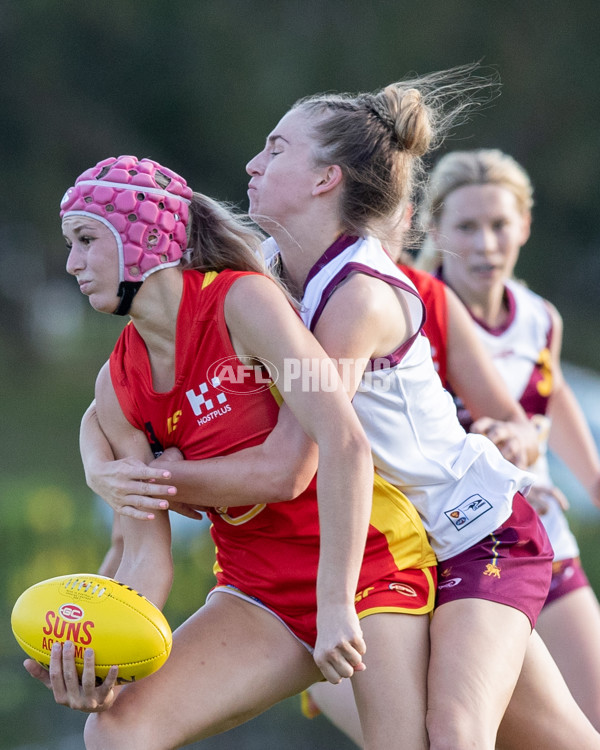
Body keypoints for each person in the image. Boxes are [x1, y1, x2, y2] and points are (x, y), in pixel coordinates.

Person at [76, 69, 599, 748]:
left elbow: (295, 462)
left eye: (276, 149)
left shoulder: (356, 296)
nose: (252, 164)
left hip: (471, 535)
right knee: (557, 738)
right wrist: (101, 461)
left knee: (460, 732)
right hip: (397, 543)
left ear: (326, 179)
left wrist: (155, 475)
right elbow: (114, 399)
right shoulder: (265, 268)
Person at [25, 155, 441, 750]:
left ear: (144, 235)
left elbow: (343, 441)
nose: (72, 264)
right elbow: (145, 556)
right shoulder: (115, 387)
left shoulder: (240, 301)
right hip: (257, 594)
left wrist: (334, 603)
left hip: (368, 575)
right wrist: (96, 650)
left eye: (87, 240)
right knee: (114, 730)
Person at [418, 146, 600, 731]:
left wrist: (594, 480)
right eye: (466, 226)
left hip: (543, 541)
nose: (485, 244)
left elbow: (552, 395)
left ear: (524, 224)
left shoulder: (539, 317)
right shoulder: (406, 313)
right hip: (455, 555)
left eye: (500, 224)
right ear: (433, 228)